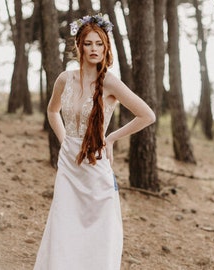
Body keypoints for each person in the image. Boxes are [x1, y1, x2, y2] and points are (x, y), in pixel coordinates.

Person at [33, 14, 155, 270]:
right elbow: (52, 111)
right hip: (68, 162)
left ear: (106, 46)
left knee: (97, 231)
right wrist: (65, 141)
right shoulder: (65, 79)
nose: (94, 49)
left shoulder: (110, 82)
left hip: (94, 164)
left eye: (99, 43)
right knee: (63, 225)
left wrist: (110, 138)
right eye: (88, 43)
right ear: (78, 46)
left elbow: (147, 115)